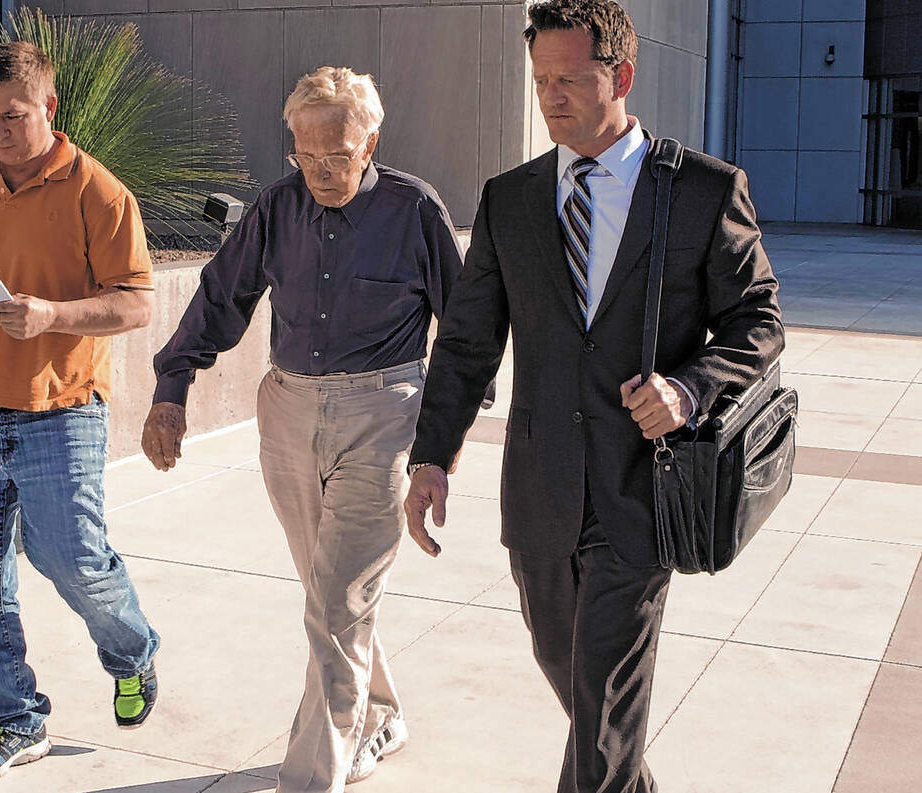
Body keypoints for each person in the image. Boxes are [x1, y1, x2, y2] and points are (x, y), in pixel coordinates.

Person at [402, 2, 784, 791]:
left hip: (641, 494)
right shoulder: (509, 200)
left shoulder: (704, 191)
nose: (551, 98)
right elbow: (469, 342)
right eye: (541, 80)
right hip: (539, 494)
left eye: (571, 79)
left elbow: (759, 320)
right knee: (580, 687)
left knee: (603, 709)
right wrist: (432, 456)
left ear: (623, 77)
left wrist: (690, 387)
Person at [143, 66, 463, 793]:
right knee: (328, 597)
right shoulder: (276, 207)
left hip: (382, 416)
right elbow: (220, 299)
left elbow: (468, 333)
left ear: (370, 141)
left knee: (339, 601)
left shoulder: (415, 210)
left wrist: (438, 446)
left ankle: (311, 776)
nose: (320, 171)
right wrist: (172, 389)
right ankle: (379, 712)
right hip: (286, 412)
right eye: (304, 156)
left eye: (338, 156)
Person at [0, 41, 160, 784]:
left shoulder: (99, 193)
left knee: (70, 558)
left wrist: (51, 313)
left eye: (12, 117)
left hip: (61, 410)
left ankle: (134, 651)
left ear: (48, 106)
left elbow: (138, 302)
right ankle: (12, 719)